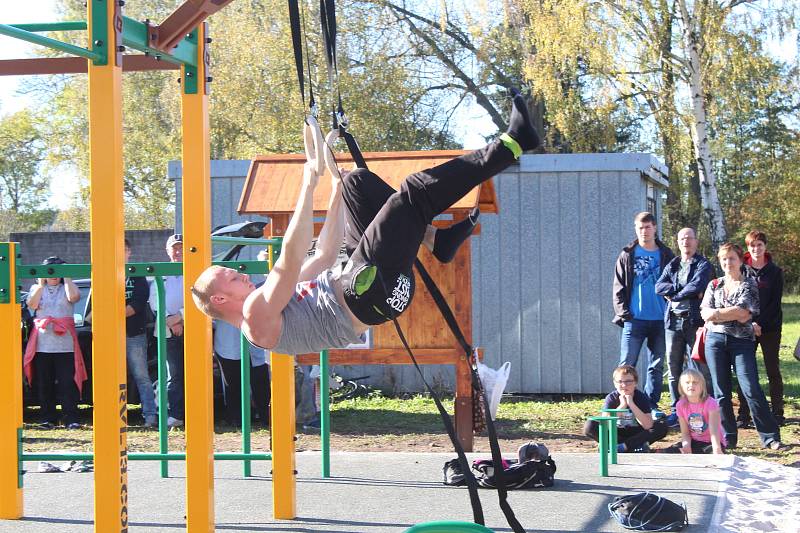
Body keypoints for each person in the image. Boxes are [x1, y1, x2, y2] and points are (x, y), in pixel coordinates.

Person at [190, 90, 540, 355]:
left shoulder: (268, 299)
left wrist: (333, 187)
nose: (243, 275)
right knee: (416, 192)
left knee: (355, 182)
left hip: (358, 275)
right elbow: (290, 259)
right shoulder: (255, 319)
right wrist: (308, 182)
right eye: (234, 278)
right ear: (220, 300)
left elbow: (325, 255)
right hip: (369, 293)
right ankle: (513, 144)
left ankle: (436, 240)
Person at [700, 243, 782, 450]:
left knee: (751, 388)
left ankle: (770, 437)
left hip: (742, 342)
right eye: (724, 259)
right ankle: (728, 438)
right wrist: (726, 313)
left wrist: (716, 314)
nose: (728, 262)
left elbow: (744, 313)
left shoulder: (750, 284)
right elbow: (704, 313)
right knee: (721, 392)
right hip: (714, 342)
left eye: (732, 258)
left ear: (740, 260)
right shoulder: (714, 284)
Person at [612, 212, 675, 416]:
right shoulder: (627, 254)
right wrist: (624, 314)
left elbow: (676, 285)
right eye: (640, 227)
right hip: (635, 320)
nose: (644, 231)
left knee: (656, 366)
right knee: (626, 365)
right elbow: (618, 288)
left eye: (648, 227)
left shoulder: (666, 254)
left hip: (660, 320)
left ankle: (650, 405)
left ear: (655, 228)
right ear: (635, 229)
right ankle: (622, 405)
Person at [655, 227, 713, 428]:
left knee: (700, 368)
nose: (686, 242)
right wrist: (682, 292)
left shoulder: (704, 265)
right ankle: (676, 410)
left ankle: (704, 409)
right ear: (677, 242)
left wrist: (675, 294)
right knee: (673, 368)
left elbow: (697, 285)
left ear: (696, 241)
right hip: (672, 322)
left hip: (694, 323)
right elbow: (659, 286)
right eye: (682, 239)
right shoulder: (673, 264)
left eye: (689, 238)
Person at [22, 256, 87, 429]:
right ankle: (47, 418)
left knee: (67, 383)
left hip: (65, 345)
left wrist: (66, 276)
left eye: (57, 270)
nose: (53, 274)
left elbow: (74, 297)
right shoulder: (36, 288)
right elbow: (32, 304)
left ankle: (71, 417)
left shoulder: (67, 287)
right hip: (42, 345)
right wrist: (41, 283)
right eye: (50, 270)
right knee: (45, 383)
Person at [737, 230, 785, 428]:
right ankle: (744, 414)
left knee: (772, 369)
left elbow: (775, 303)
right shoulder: (741, 269)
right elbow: (739, 298)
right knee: (745, 371)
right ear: (747, 248)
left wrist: (761, 324)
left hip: (770, 328)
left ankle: (778, 413)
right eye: (752, 245)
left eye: (759, 245)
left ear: (765, 247)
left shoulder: (775, 272)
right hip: (746, 327)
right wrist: (750, 323)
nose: (756, 249)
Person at [583, 365, 668, 453]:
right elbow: (606, 424)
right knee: (590, 425)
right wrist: (622, 405)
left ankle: (623, 447)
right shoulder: (611, 398)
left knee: (661, 426)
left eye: (628, 382)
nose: (624, 385)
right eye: (620, 382)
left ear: (635, 383)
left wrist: (631, 404)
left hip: (636, 435)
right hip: (616, 434)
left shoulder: (641, 397)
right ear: (615, 384)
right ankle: (630, 447)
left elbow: (648, 425)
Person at [150, 234, 185, 428]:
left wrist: (180, 317)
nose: (178, 251)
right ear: (168, 251)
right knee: (174, 375)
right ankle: (176, 415)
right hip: (167, 331)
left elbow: (199, 298)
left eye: (181, 247)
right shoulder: (160, 272)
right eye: (175, 248)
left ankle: (198, 413)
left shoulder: (195, 270)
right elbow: (154, 301)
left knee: (197, 373)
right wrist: (170, 321)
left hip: (193, 329)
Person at [213, 319, 270, 426]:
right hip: (228, 344)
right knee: (232, 384)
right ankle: (237, 419)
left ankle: (266, 417)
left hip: (256, 344)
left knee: (261, 383)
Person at [663, 369, 725, 454]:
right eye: (687, 382)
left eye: (695, 382)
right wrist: (686, 446)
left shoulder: (711, 403)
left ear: (702, 386)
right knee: (672, 451)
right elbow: (685, 432)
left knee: (711, 454)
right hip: (694, 441)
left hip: (712, 442)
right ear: (681, 386)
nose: (691, 385)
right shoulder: (680, 405)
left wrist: (716, 448)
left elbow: (714, 429)